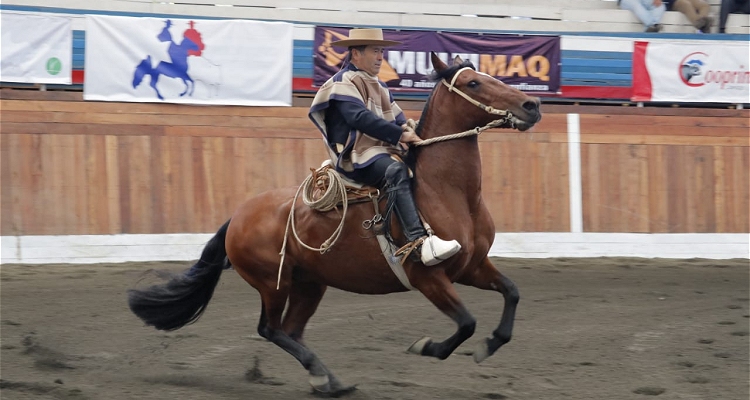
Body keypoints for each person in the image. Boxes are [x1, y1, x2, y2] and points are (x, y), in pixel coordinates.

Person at [308, 28, 461, 266]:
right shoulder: (341, 83)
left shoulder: (378, 84)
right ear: (355, 54)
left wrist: (410, 130)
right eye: (375, 51)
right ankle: (418, 242)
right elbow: (359, 118)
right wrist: (400, 134)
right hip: (357, 157)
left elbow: (396, 118)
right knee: (396, 171)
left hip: (379, 151)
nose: (381, 57)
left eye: (382, 51)